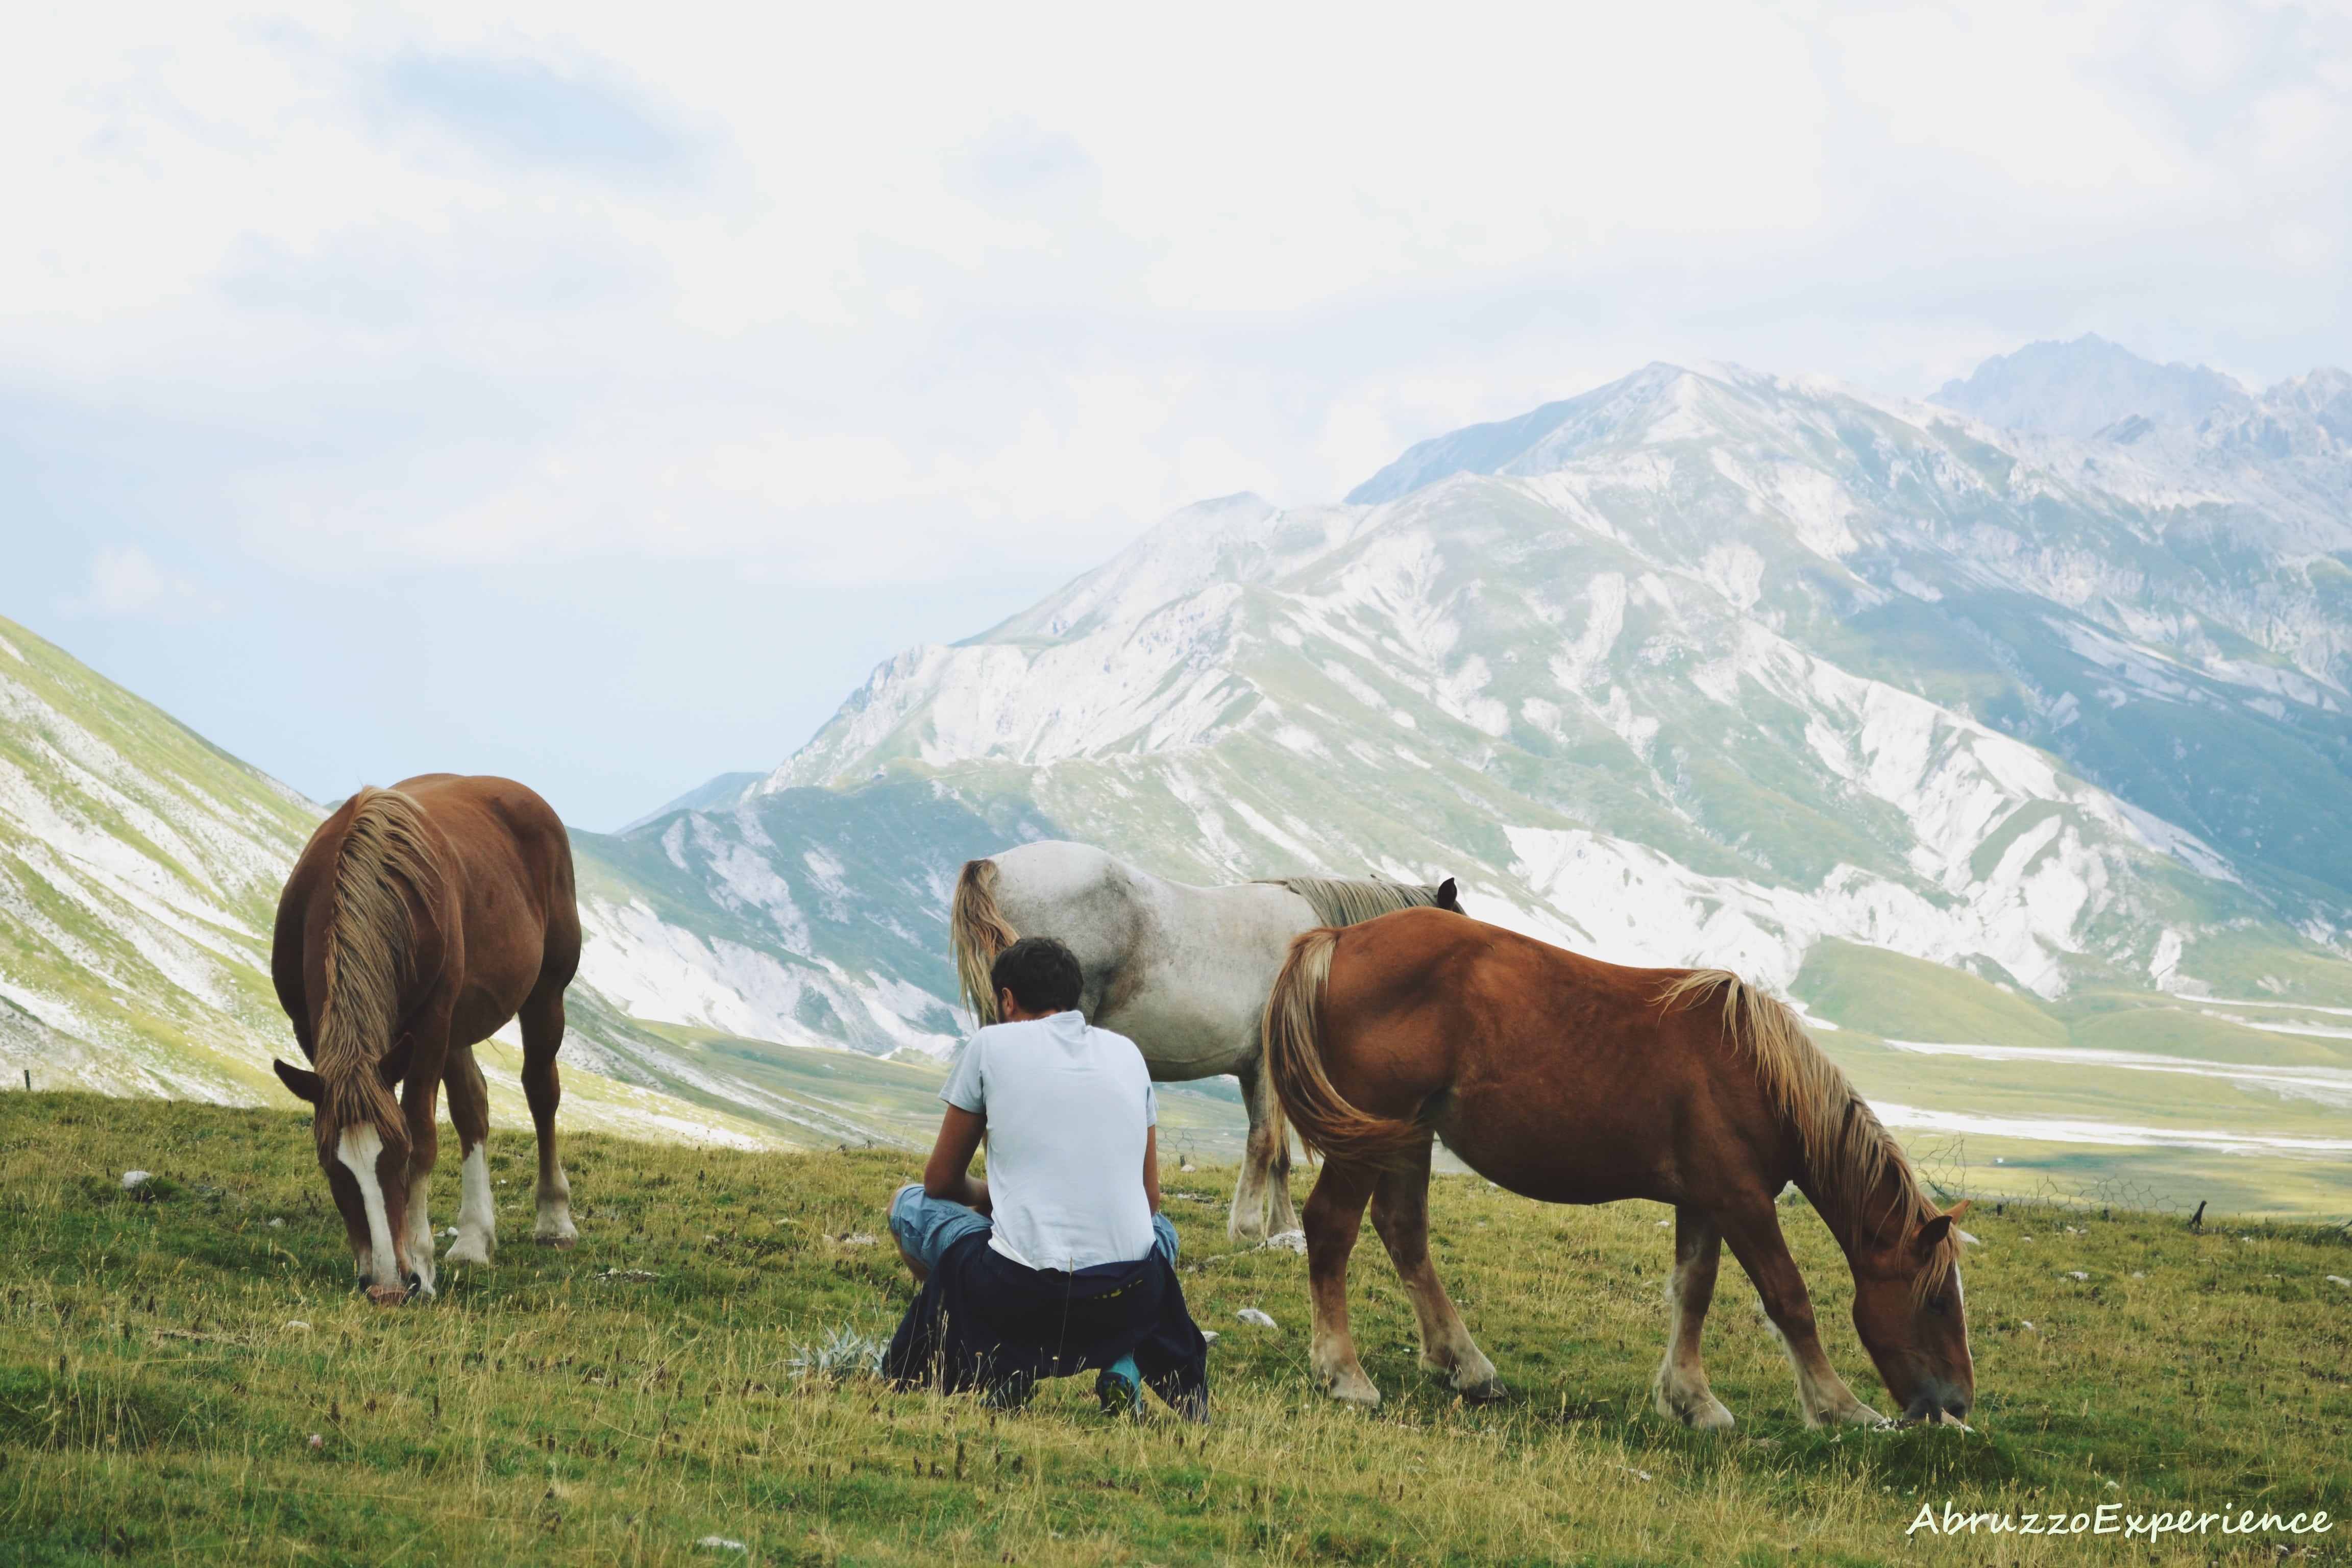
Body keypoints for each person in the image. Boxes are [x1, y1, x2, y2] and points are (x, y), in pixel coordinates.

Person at [881, 935, 1209, 1418]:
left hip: (1018, 1296)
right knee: (1160, 1234)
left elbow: (940, 1182)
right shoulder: (1127, 1053)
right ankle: (1122, 1362)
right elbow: (1150, 1199)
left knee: (907, 1205)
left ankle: (1000, 1363)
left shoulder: (991, 1043)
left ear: (1007, 1000)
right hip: (1127, 1296)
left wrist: (992, 1197)